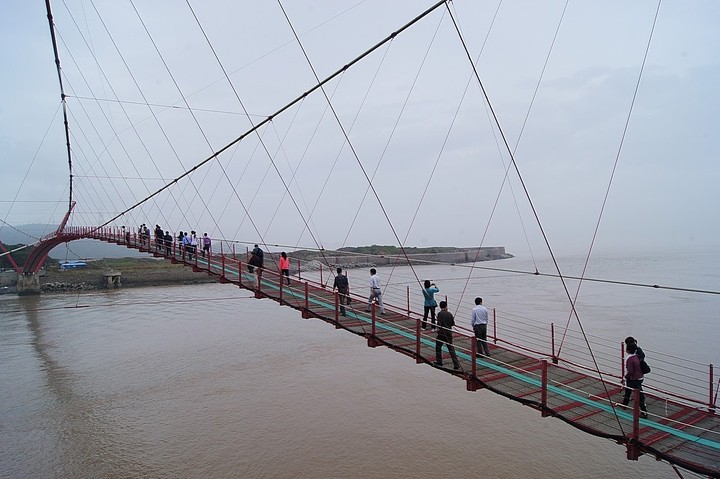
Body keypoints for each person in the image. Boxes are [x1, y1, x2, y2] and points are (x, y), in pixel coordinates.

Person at [621, 342, 648, 418]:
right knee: (629, 390)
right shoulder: (637, 357)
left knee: (637, 394)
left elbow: (630, 371)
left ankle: (644, 412)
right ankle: (625, 404)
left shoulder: (630, 359)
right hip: (639, 377)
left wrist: (624, 377)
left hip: (634, 379)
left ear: (628, 350)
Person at [434, 300, 460, 370]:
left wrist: (438, 329)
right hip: (449, 333)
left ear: (440, 307)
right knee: (451, 349)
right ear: (446, 306)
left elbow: (439, 324)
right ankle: (456, 364)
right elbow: (452, 323)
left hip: (442, 333)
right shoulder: (450, 314)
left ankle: (439, 361)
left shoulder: (440, 314)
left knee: (438, 347)